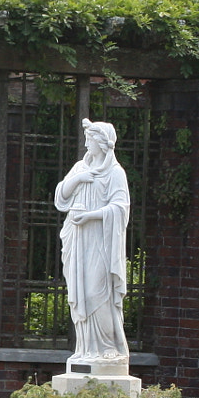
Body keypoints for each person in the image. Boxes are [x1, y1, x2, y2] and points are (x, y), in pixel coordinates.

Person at [54, 120, 131, 368]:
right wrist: (79, 179)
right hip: (77, 239)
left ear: (101, 142)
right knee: (79, 294)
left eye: (90, 138)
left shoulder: (115, 173)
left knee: (97, 293)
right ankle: (86, 348)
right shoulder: (80, 167)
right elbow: (61, 196)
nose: (86, 142)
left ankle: (107, 348)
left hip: (100, 241)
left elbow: (120, 208)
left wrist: (91, 216)